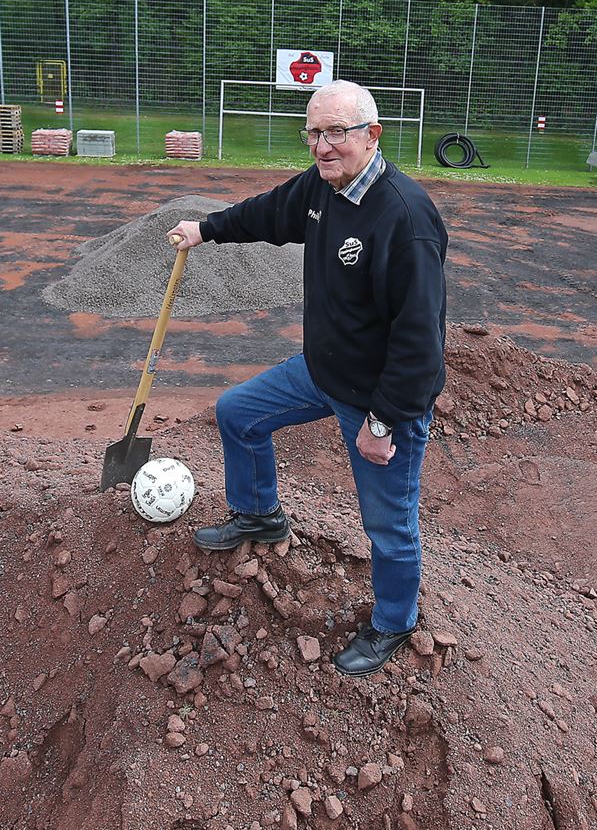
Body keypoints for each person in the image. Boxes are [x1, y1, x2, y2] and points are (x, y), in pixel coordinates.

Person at [165, 79, 448, 677]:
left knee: (388, 523)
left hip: (375, 398)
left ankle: (394, 623)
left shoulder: (404, 217)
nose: (323, 146)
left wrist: (384, 420)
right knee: (237, 412)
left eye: (336, 133)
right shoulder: (320, 189)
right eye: (315, 133)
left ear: (372, 135)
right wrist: (205, 229)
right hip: (321, 373)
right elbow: (267, 212)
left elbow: (421, 341)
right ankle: (260, 515)